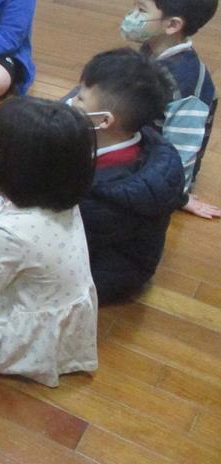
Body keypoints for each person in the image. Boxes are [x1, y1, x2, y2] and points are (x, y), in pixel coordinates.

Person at [0, 97, 98, 387]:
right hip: (53, 319)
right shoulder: (63, 200)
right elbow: (20, 237)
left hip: (15, 341)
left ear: (17, 168)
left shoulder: (10, 232)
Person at [70, 49, 185, 303]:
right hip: (97, 246)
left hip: (107, 271)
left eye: (79, 98)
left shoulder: (110, 192)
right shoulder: (130, 138)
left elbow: (60, 228)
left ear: (104, 121)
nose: (70, 102)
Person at [121, 0, 219, 219]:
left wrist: (179, 194)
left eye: (141, 10)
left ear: (173, 25)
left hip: (155, 164)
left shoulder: (185, 83)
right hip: (137, 137)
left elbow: (183, 147)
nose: (132, 16)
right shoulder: (151, 48)